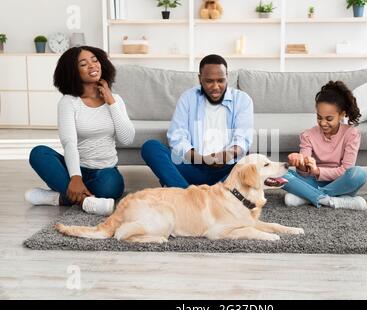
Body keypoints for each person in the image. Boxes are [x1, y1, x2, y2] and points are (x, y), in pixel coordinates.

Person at [25, 46, 135, 215]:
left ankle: (58, 198)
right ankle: (86, 201)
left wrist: (110, 101)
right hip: (74, 168)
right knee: (39, 153)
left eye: (95, 60)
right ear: (73, 72)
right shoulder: (68, 102)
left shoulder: (116, 100)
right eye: (83, 64)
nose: (92, 66)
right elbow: (69, 143)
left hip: (105, 171)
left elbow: (127, 139)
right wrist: (75, 177)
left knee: (111, 188)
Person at [141, 54, 253, 188]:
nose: (216, 87)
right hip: (193, 166)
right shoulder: (188, 98)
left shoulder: (242, 100)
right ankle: (188, 195)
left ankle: (185, 190)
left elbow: (243, 138)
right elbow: (177, 137)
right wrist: (200, 158)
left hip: (227, 170)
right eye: (209, 81)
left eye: (221, 80)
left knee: (250, 162)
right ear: (200, 79)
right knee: (151, 147)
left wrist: (227, 155)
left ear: (227, 77)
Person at [282, 80, 367, 210]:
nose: (323, 123)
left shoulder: (351, 134)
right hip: (312, 182)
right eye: (319, 117)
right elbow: (304, 174)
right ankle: (331, 200)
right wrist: (300, 164)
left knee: (359, 174)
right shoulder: (308, 135)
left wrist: (318, 171)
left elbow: (345, 170)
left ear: (342, 115)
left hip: (340, 183)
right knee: (280, 174)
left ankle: (307, 197)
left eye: (329, 119)